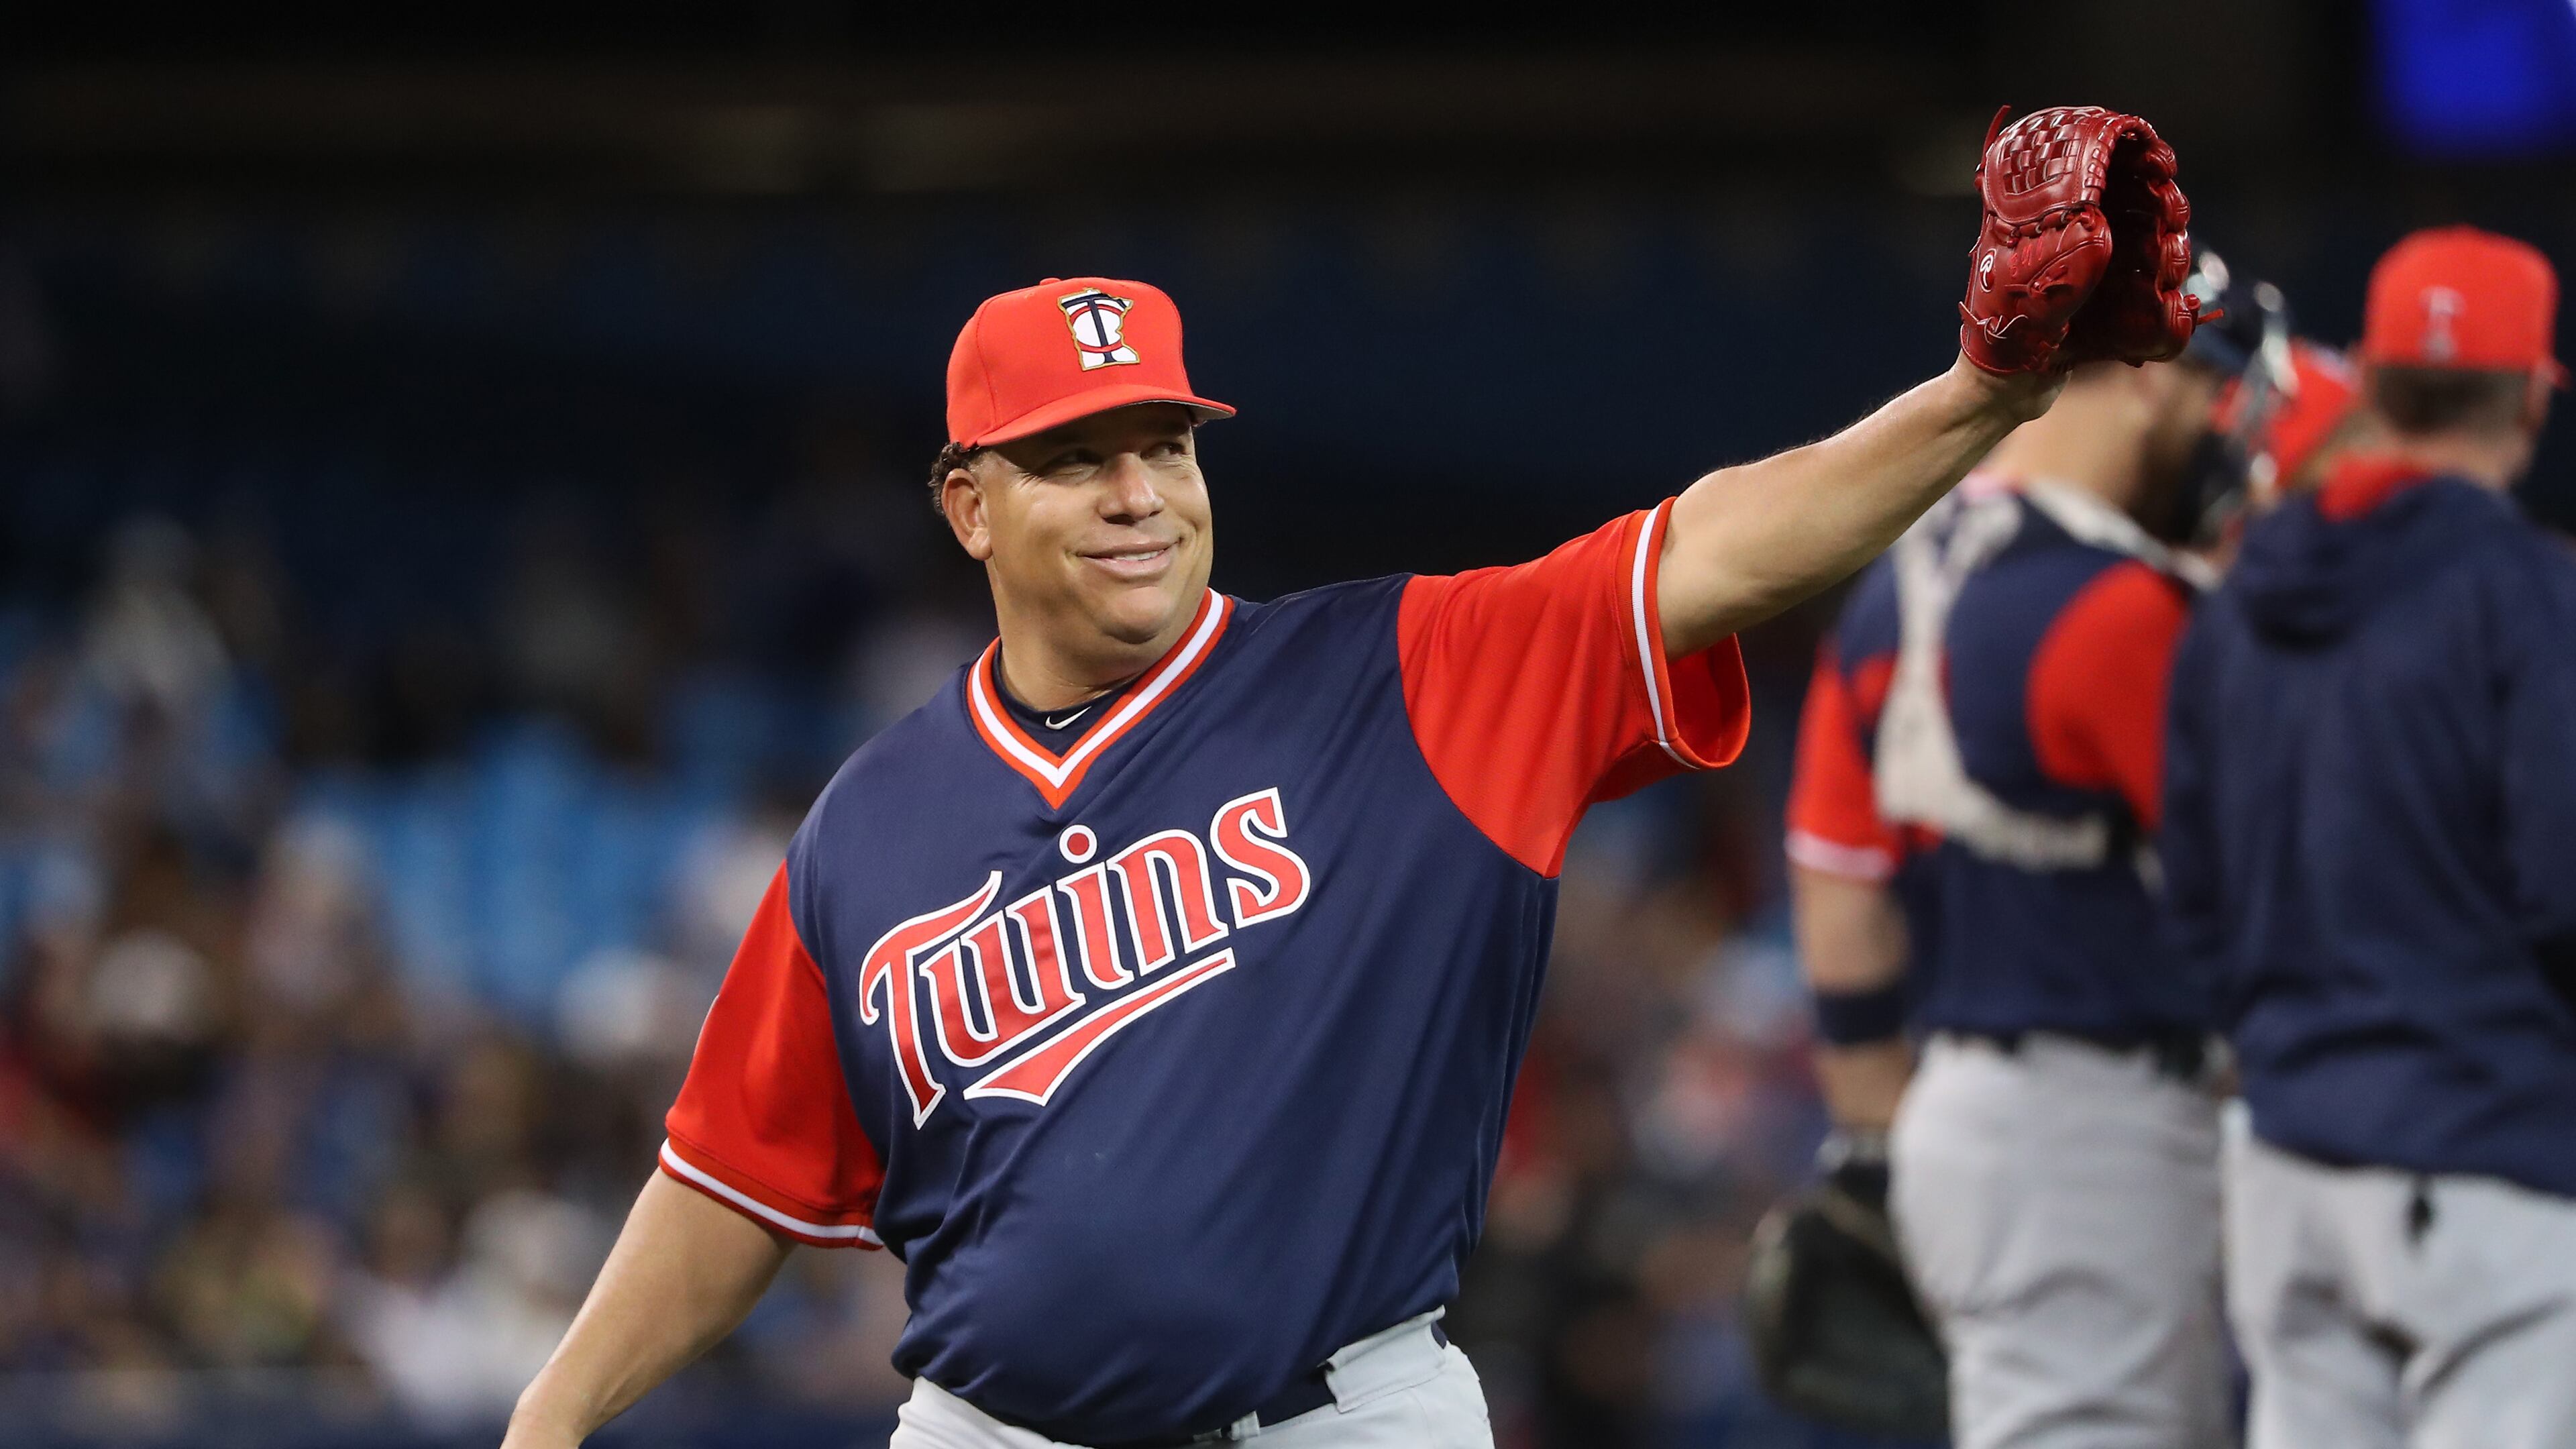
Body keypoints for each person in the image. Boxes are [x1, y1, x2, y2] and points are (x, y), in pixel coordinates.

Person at [501, 107, 2203, 1449]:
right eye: (1076, 459)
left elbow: (1719, 550)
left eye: (1164, 444)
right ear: (967, 505)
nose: (1138, 493)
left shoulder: (1401, 675)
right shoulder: (870, 824)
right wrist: (554, 1415)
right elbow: (730, 1184)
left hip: (1345, 1419)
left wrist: (1989, 388)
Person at [1778, 252, 2280, 1449]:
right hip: (2093, 1119)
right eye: (2216, 393)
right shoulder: (2116, 606)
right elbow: (2278, 892)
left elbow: (1839, 901)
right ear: (2154, 381)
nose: (2230, 432)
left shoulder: (1894, 590)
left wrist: (1881, 1154)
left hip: (1966, 1112)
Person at [2163, 225, 2576, 1449]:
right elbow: (2564, 887)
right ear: (2533, 404)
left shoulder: (2235, 609)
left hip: (2289, 1165)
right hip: (2483, 1151)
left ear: (2376, 390)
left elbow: (2192, 904)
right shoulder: (2534, 601)